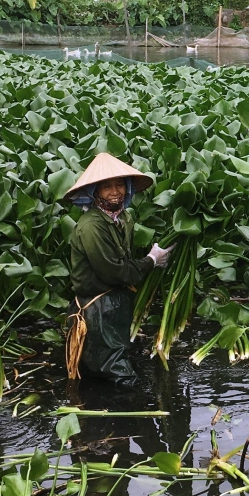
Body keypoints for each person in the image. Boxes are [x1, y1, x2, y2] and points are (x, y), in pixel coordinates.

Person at [65, 153, 172, 388]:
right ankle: (122, 418)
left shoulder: (123, 217)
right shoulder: (92, 225)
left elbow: (124, 259)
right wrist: (151, 261)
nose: (116, 192)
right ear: (94, 192)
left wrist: (152, 257)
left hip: (115, 302)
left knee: (108, 366)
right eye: (107, 187)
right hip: (97, 308)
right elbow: (113, 272)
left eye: (120, 185)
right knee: (120, 377)